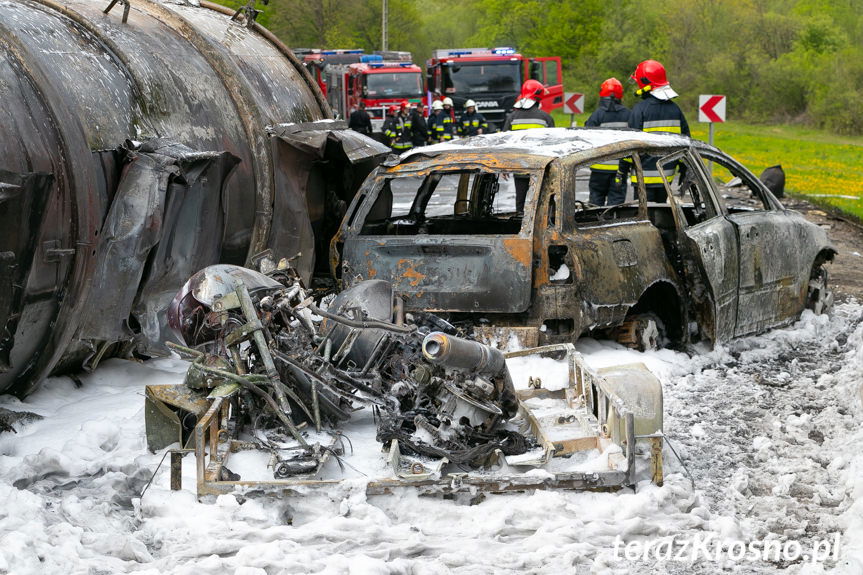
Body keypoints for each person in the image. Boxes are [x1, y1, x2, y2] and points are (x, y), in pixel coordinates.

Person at [626, 59, 690, 202]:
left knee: (645, 219)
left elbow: (629, 144)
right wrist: (684, 169)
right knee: (661, 215)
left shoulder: (640, 109)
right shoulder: (675, 109)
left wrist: (622, 170)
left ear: (643, 82)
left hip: (642, 179)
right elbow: (686, 142)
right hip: (666, 178)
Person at [584, 78, 631, 205]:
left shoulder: (597, 115)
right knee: (615, 205)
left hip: (598, 169)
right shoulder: (629, 115)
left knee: (595, 204)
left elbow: (586, 136)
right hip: (620, 170)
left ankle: (594, 224)